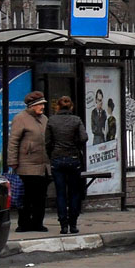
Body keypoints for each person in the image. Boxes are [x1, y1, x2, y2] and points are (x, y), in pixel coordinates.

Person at [7, 91, 50, 232]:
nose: (43, 107)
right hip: (27, 165)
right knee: (27, 196)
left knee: (40, 196)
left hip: (43, 165)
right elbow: (13, 141)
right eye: (40, 104)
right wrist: (12, 161)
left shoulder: (44, 119)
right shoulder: (21, 118)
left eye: (43, 104)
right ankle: (24, 223)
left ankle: (38, 223)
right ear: (32, 106)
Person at [45, 95, 88, 234]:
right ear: (71, 106)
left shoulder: (52, 121)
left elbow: (47, 142)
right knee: (74, 192)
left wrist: (52, 153)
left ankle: (63, 224)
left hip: (57, 159)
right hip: (73, 159)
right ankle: (73, 224)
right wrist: (75, 145)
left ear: (57, 106)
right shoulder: (76, 120)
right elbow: (84, 137)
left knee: (61, 193)